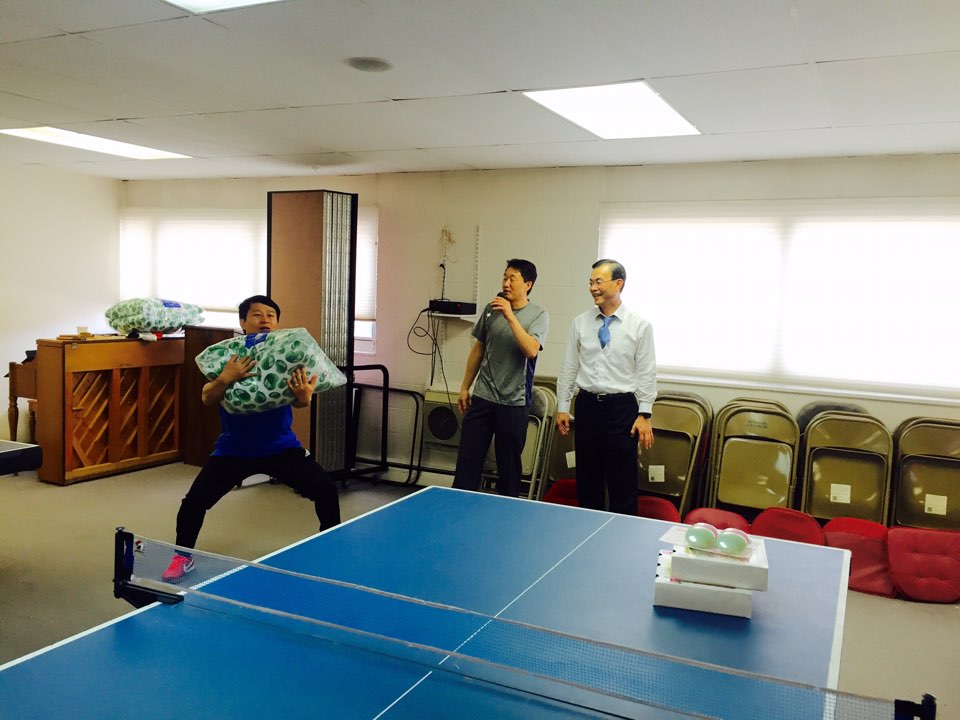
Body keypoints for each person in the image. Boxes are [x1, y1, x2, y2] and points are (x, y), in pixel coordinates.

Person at [162, 295, 341, 582]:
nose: (265, 319)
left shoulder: (285, 355)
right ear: (243, 322)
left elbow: (298, 402)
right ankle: (183, 556)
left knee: (326, 491)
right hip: (234, 450)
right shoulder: (230, 356)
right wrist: (226, 377)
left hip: (282, 448)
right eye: (257, 314)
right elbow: (207, 397)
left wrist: (304, 398)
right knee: (194, 502)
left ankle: (330, 546)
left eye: (271, 315)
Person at [556, 259, 656, 515]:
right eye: (590, 282)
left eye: (598, 281)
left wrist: (644, 414)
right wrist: (563, 406)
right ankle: (587, 528)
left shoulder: (639, 325)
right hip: (587, 406)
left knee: (622, 482)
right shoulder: (580, 323)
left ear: (618, 283)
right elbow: (569, 366)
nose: (593, 287)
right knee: (588, 479)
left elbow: (647, 372)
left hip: (622, 409)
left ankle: (623, 534)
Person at [452, 259, 549, 497]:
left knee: (509, 469)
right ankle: (459, 506)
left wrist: (510, 316)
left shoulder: (538, 315)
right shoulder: (490, 309)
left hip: (514, 402)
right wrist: (465, 387)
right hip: (483, 397)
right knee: (467, 462)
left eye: (512, 279)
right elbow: (478, 349)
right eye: (504, 278)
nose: (505, 283)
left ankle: (508, 512)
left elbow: (531, 350)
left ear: (527, 285)